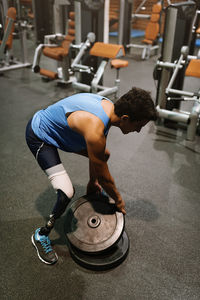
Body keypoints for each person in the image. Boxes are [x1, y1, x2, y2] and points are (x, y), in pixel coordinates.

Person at [25, 87, 157, 265]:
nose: (139, 131)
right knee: (67, 193)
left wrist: (93, 181)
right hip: (40, 135)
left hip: (65, 133)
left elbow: (99, 159)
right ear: (125, 118)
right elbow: (106, 178)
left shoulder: (108, 107)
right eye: (139, 126)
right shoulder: (95, 128)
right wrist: (118, 200)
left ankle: (91, 185)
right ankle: (41, 235)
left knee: (104, 155)